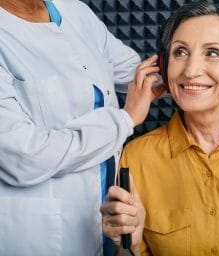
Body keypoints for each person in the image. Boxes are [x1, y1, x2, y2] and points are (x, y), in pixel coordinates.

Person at [0, 0, 166, 255]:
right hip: (41, 236)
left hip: (106, 222)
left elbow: (142, 77)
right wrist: (125, 119)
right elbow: (23, 156)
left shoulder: (74, 11)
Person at [101, 2, 219, 255]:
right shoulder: (136, 156)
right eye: (180, 52)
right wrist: (133, 243)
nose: (190, 71)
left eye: (213, 53)